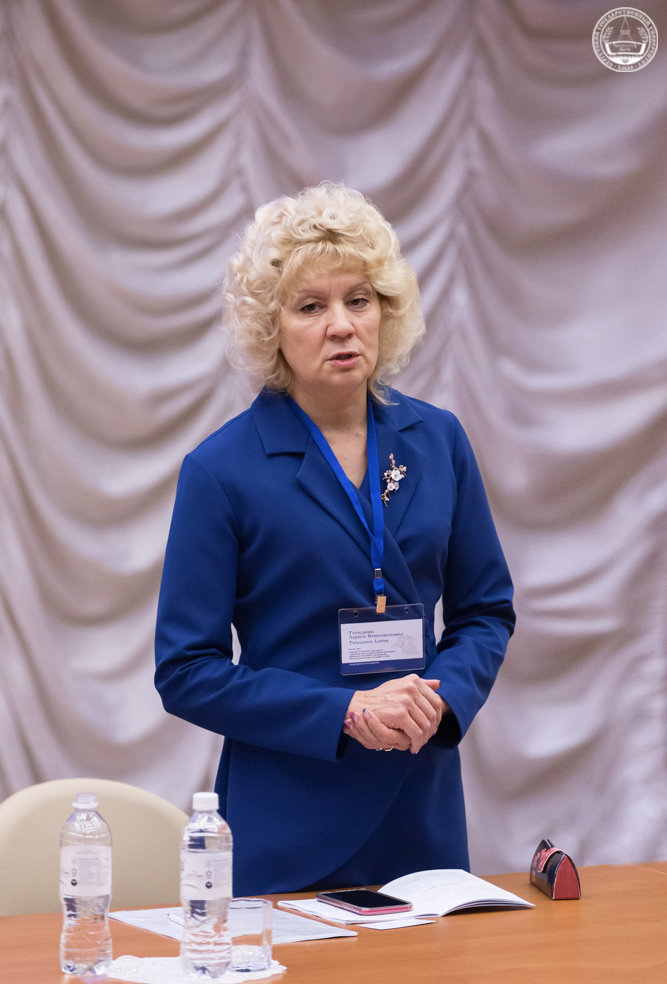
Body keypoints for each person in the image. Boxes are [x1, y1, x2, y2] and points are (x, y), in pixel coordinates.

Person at [154, 182, 515, 895]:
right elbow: (187, 670)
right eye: (311, 307)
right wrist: (345, 712)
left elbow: (485, 611)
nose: (342, 326)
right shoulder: (220, 470)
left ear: (387, 310)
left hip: (419, 808)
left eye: (359, 299)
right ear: (272, 327)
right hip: (287, 817)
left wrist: (441, 697)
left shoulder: (438, 440)